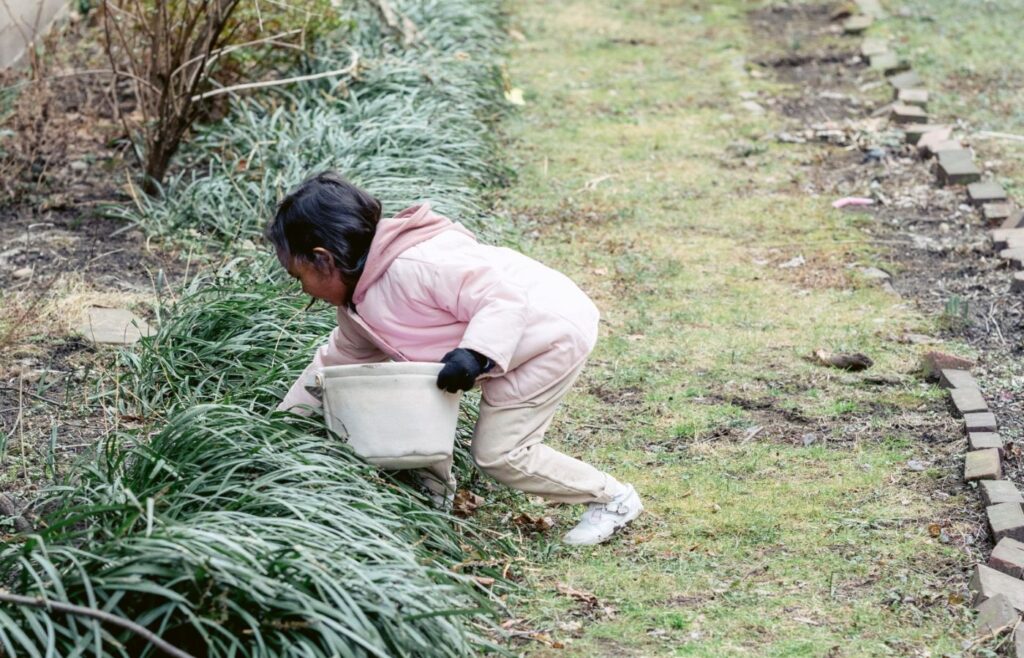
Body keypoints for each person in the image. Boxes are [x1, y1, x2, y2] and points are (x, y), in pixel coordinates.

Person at [267, 171, 642, 545]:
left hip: (551, 331)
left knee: (502, 453)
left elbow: (501, 297)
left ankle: (613, 499)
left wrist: (476, 353)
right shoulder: (357, 306)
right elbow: (332, 366)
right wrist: (279, 429)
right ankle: (432, 494)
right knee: (405, 396)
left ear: (323, 260)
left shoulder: (415, 265)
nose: (303, 289)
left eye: (298, 276)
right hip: (509, 342)